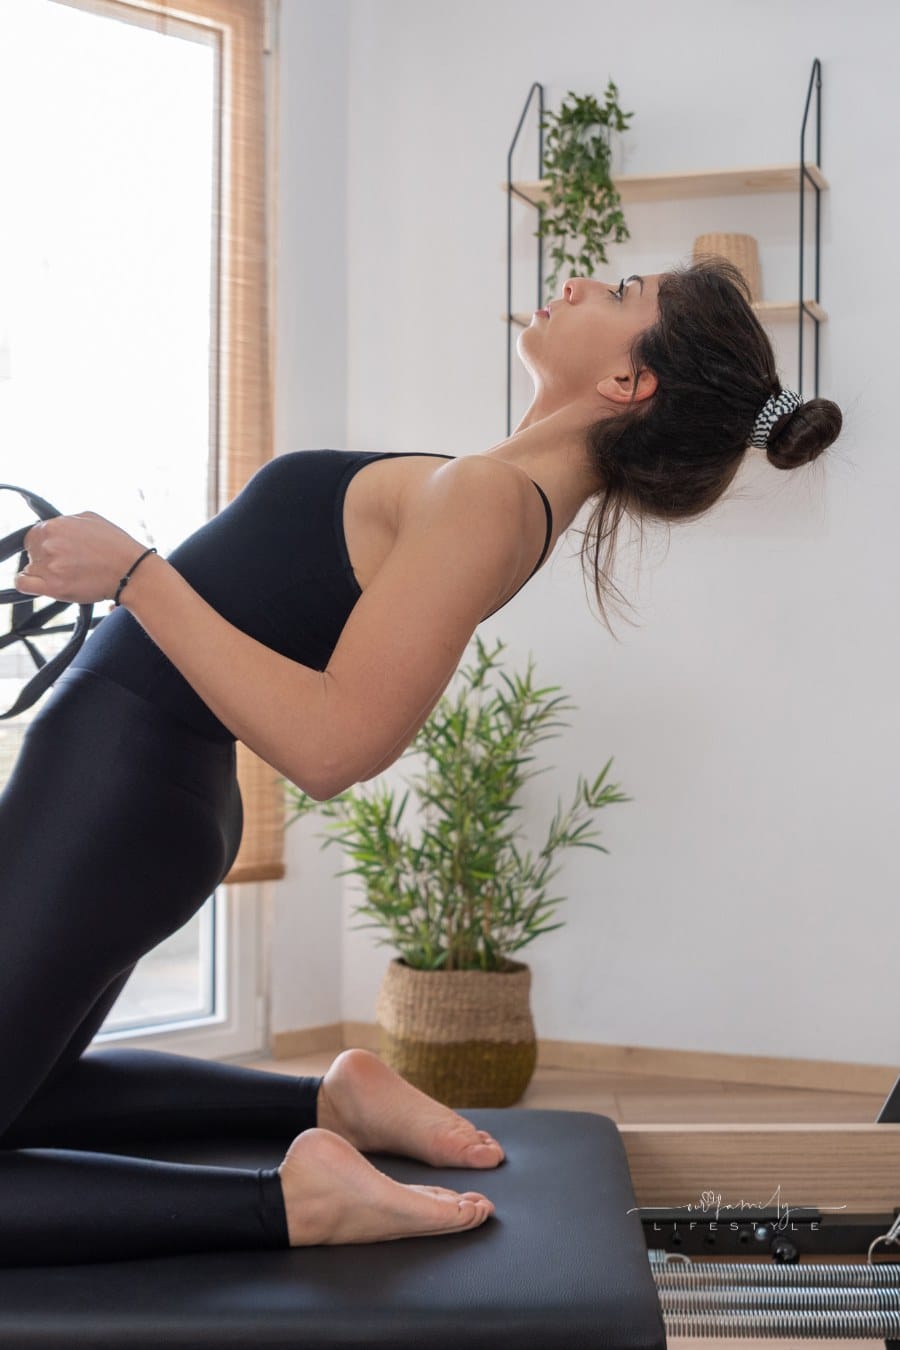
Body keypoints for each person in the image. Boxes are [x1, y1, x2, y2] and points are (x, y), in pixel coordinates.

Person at [0, 256, 842, 1268]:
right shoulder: (494, 486)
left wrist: (136, 574)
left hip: (119, 783)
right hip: (133, 781)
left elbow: (332, 744)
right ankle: (329, 1101)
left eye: (619, 293)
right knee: (31, 1091)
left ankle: (293, 1203)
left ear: (629, 383)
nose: (577, 281)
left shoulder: (492, 497)